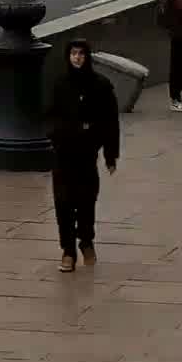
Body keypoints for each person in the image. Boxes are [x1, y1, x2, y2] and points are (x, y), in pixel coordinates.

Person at [45, 40, 118, 273]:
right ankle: (68, 250)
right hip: (63, 153)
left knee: (86, 200)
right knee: (63, 202)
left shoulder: (100, 85)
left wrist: (110, 154)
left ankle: (86, 240)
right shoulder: (59, 84)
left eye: (81, 54)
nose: (77, 58)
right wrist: (56, 135)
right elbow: (49, 115)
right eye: (73, 53)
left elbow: (110, 122)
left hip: (86, 153)